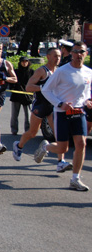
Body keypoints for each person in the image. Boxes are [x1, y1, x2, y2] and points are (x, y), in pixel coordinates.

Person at [34, 42, 92, 191]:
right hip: (62, 113)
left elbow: (86, 93)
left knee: (81, 144)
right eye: (76, 52)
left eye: (82, 52)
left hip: (79, 112)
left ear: (86, 54)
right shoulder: (62, 71)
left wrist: (88, 101)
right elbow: (46, 90)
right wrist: (60, 104)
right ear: (71, 54)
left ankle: (75, 178)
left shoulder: (88, 72)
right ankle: (46, 146)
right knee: (63, 147)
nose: (79, 55)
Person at [12, 48, 69, 169]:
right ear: (48, 56)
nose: (58, 58)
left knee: (59, 135)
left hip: (53, 106)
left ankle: (61, 162)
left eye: (59, 56)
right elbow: (29, 87)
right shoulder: (41, 71)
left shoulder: (59, 72)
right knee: (32, 133)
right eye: (55, 56)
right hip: (40, 105)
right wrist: (44, 87)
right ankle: (19, 146)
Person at [9, 56, 34, 135]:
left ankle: (28, 130)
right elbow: (11, 81)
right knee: (14, 114)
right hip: (16, 95)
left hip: (27, 95)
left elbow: (35, 82)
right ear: (20, 62)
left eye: (26, 61)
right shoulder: (16, 71)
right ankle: (14, 130)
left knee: (28, 115)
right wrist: (13, 88)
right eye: (23, 61)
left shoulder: (32, 72)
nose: (25, 63)